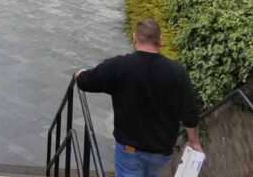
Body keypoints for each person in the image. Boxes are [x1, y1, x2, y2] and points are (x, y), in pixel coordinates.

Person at [75, 18, 202, 177]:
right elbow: (190, 113)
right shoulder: (177, 72)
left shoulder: (120, 66)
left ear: (135, 38)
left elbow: (86, 82)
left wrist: (78, 74)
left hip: (130, 151)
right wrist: (193, 141)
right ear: (161, 40)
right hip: (161, 152)